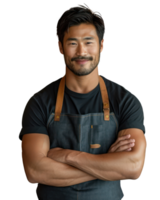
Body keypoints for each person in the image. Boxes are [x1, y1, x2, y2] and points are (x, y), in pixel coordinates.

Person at [18, 2, 148, 200]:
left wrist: (67, 156)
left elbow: (133, 168)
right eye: (72, 43)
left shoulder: (126, 101)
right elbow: (34, 172)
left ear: (102, 45)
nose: (81, 52)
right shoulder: (38, 103)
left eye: (88, 42)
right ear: (59, 46)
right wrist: (107, 164)